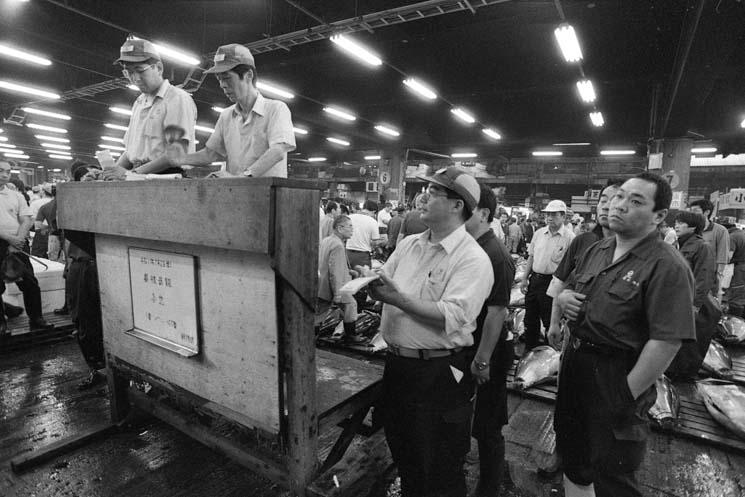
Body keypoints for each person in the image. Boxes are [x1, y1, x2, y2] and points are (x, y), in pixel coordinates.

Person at [554, 173, 695, 497]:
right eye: (619, 197)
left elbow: (666, 341)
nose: (619, 205)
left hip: (618, 373)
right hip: (577, 365)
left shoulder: (667, 265)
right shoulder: (598, 249)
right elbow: (572, 288)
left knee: (612, 470)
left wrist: (623, 395)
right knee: (574, 459)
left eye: (635, 201)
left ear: (659, 216)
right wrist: (563, 299)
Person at [367, 167, 492, 497]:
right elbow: (388, 283)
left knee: (439, 460)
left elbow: (452, 314)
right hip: (399, 367)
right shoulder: (409, 244)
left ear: (457, 206)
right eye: (426, 189)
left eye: (434, 192)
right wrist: (368, 282)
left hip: (439, 371)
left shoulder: (472, 259)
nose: (423, 196)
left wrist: (397, 298)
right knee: (403, 448)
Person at [163, 44, 296, 178]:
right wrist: (180, 159)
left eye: (226, 78)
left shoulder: (276, 109)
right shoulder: (226, 116)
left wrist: (242, 178)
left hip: (268, 195)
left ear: (248, 75)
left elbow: (278, 151)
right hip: (236, 193)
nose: (222, 85)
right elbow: (210, 154)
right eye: (219, 79)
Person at [465, 185, 515, 497]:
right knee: (476, 418)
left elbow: (497, 314)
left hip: (491, 351)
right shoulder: (472, 247)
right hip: (474, 346)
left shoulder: (496, 255)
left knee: (487, 424)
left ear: (483, 214)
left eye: (465, 207)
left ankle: (489, 487)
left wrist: (482, 360)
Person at [103, 38, 197, 179]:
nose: (135, 78)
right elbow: (131, 153)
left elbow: (177, 152)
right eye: (128, 72)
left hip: (166, 178)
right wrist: (110, 173)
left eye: (140, 70)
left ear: (158, 68)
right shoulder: (139, 102)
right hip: (140, 176)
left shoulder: (176, 99)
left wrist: (131, 174)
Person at [546, 181, 622, 348]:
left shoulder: (642, 254)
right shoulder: (584, 241)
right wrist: (554, 322)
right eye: (603, 200)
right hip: (576, 339)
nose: (606, 206)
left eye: (615, 200)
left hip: (615, 347)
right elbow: (560, 282)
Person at [65, 161, 107, 389]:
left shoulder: (109, 197)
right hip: (82, 266)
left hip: (106, 265)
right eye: (88, 177)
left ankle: (112, 370)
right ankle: (96, 369)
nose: (94, 179)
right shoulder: (75, 200)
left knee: (109, 321)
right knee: (84, 322)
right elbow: (67, 232)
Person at [0, 160, 54, 336]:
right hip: (6, 241)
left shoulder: (16, 196)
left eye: (8, 171)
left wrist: (18, 239)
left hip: (18, 243)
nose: (5, 175)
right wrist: (9, 239)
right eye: (1, 171)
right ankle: (2, 325)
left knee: (30, 282)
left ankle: (37, 318)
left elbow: (26, 219)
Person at [666, 211, 720, 379]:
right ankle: (675, 371)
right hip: (681, 302)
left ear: (693, 226)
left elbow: (703, 279)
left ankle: (684, 376)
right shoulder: (678, 244)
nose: (676, 225)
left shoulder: (702, 246)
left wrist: (694, 306)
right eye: (676, 222)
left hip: (699, 306)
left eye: (681, 222)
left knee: (692, 343)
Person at [520, 199, 574, 351]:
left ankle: (548, 355)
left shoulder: (570, 238)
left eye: (554, 214)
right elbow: (531, 257)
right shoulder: (538, 234)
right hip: (535, 280)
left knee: (549, 320)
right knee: (530, 319)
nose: (549, 218)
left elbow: (572, 268)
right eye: (547, 214)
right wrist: (524, 279)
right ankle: (530, 350)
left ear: (563, 216)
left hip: (553, 283)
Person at [317, 215, 360, 340]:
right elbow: (335, 271)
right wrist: (337, 294)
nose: (352, 229)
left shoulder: (327, 240)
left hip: (323, 285)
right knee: (350, 305)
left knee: (320, 314)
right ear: (340, 228)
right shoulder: (338, 245)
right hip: (333, 287)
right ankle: (350, 337)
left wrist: (350, 272)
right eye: (350, 226)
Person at [689, 199, 730, 292]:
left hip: (709, 278)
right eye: (691, 211)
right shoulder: (691, 230)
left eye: (695, 211)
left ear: (707, 212)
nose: (692, 214)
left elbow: (722, 257)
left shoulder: (720, 231)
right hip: (691, 275)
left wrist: (717, 279)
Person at [346, 200, 382, 270]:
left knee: (348, 278)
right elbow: (375, 242)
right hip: (363, 256)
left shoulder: (350, 217)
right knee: (363, 279)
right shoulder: (373, 221)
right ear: (374, 212)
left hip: (347, 253)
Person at [29, 183, 53, 258]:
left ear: (43, 192)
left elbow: (33, 221)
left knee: (38, 258)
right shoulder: (57, 203)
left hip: (41, 234)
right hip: (55, 233)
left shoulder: (35, 203)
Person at [726, 226, 745, 318]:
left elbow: (728, 256)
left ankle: (734, 322)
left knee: (736, 297)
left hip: (740, 269)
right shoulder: (742, 234)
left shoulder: (732, 236)